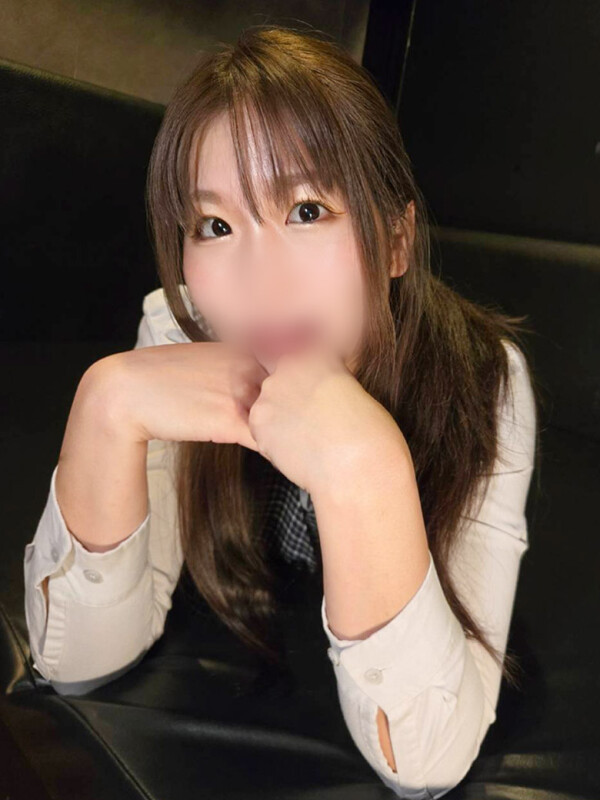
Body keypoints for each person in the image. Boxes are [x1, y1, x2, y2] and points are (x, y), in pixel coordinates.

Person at [23, 24, 541, 799]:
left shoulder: (487, 379)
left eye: (306, 210)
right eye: (216, 226)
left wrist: (365, 464)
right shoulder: (180, 326)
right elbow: (74, 662)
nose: (260, 280)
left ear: (395, 241)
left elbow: (427, 763)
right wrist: (105, 403)